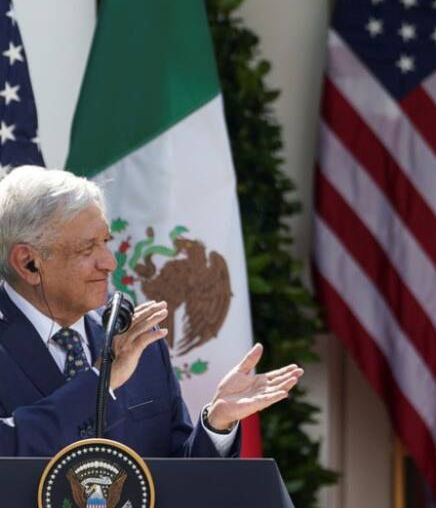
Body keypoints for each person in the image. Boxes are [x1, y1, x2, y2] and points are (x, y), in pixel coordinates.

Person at [0, 165, 302, 457]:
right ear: (28, 262)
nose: (109, 262)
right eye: (87, 248)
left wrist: (216, 425)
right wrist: (100, 381)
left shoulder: (139, 345)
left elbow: (175, 478)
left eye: (105, 241)